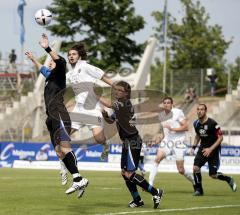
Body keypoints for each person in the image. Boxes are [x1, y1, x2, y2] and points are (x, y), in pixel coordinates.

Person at [25, 34, 88, 198]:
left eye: (52, 61)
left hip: (60, 114)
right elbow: (42, 68)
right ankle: (76, 178)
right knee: (59, 152)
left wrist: (46, 48)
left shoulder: (60, 72)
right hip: (50, 118)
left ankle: (78, 178)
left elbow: (60, 61)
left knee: (65, 148)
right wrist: (33, 59)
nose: (50, 62)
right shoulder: (50, 75)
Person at [101, 81, 164, 209]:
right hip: (127, 142)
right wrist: (105, 115)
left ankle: (155, 192)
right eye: (116, 90)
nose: (116, 92)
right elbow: (110, 120)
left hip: (132, 140)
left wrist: (93, 94)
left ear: (126, 93)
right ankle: (137, 200)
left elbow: (108, 103)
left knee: (130, 174)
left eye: (119, 90)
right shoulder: (120, 106)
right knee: (125, 173)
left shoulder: (123, 104)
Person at [66, 43, 114, 161]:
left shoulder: (86, 67)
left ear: (80, 56)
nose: (71, 56)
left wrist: (116, 86)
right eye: (69, 54)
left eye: (74, 54)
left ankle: (106, 146)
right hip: (79, 109)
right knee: (64, 135)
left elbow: (102, 75)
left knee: (99, 139)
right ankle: (67, 164)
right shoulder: (69, 74)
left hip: (93, 109)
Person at [149, 97, 195, 190]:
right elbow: (164, 133)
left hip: (179, 142)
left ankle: (195, 182)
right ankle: (149, 185)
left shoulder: (178, 112)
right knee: (157, 159)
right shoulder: (161, 116)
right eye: (164, 103)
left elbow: (186, 127)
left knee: (181, 170)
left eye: (168, 103)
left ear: (172, 104)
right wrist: (155, 141)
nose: (166, 104)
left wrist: (172, 129)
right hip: (167, 141)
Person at [190, 104, 237, 196]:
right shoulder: (196, 123)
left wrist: (210, 149)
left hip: (214, 150)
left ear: (205, 111)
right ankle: (199, 190)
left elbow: (220, 138)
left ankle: (228, 179)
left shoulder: (213, 124)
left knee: (213, 175)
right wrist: (193, 147)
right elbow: (198, 135)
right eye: (198, 109)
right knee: (195, 168)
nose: (199, 111)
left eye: (202, 109)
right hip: (203, 149)